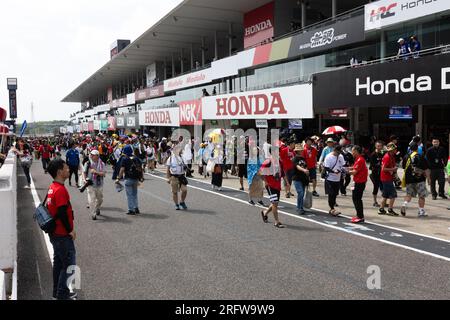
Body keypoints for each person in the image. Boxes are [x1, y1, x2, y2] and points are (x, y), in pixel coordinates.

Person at [46, 158, 77, 300]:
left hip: (54, 233)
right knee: (69, 265)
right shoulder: (61, 190)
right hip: (62, 234)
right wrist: (70, 230)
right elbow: (63, 213)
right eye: (66, 168)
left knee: (59, 264)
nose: (68, 170)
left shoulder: (52, 187)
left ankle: (56, 293)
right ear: (59, 172)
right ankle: (62, 294)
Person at [400, 143, 430, 217]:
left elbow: (403, 167)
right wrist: (429, 178)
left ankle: (405, 204)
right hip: (420, 180)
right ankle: (421, 211)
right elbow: (426, 169)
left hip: (409, 179)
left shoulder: (406, 157)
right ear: (417, 149)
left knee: (409, 194)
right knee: (421, 196)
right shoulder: (420, 156)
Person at [116, 145, 143, 215]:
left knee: (129, 195)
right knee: (135, 194)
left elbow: (122, 169)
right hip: (136, 178)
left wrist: (118, 178)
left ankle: (131, 209)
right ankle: (136, 207)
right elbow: (141, 167)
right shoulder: (136, 158)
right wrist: (141, 177)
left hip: (128, 178)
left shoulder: (125, 158)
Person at [260, 155, 285, 228]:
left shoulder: (280, 161)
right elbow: (260, 172)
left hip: (277, 185)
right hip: (270, 186)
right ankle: (276, 221)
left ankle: (265, 212)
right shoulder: (268, 161)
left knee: (275, 203)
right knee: (274, 203)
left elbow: (283, 173)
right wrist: (265, 181)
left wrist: (287, 183)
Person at [83, 150, 105, 220]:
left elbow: (103, 174)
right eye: (91, 154)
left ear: (98, 156)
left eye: (93, 155)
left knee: (100, 200)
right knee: (91, 200)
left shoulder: (102, 164)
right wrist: (84, 179)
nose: (91, 156)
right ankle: (93, 213)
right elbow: (84, 172)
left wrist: (96, 172)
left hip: (99, 184)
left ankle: (97, 208)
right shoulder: (88, 163)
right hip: (90, 184)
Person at [323, 145, 345, 217]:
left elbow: (343, 165)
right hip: (330, 178)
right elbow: (326, 168)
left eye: (340, 152)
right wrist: (333, 171)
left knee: (335, 194)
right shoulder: (329, 157)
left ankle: (332, 208)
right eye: (338, 152)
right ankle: (332, 209)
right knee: (331, 194)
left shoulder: (341, 156)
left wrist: (342, 172)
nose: (339, 154)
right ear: (335, 150)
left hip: (337, 179)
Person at [348, 145, 368, 223]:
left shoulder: (360, 160)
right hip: (359, 182)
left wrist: (346, 172)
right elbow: (355, 168)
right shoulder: (359, 159)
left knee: (357, 199)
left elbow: (354, 172)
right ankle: (359, 215)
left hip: (359, 182)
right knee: (356, 199)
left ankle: (360, 216)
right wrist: (347, 168)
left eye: (352, 151)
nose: (352, 152)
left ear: (356, 151)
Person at [378, 143, 399, 216]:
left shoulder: (391, 156)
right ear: (391, 150)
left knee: (385, 195)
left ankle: (381, 209)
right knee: (393, 194)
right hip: (386, 178)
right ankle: (390, 210)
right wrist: (393, 169)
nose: (396, 150)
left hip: (387, 178)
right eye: (394, 149)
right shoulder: (387, 157)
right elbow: (383, 169)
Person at [166, 143, 188, 210]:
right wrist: (168, 178)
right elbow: (167, 169)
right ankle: (176, 204)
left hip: (181, 176)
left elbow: (186, 167)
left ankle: (182, 201)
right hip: (173, 177)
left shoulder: (182, 157)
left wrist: (185, 167)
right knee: (175, 192)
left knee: (184, 190)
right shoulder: (170, 159)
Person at [292, 144, 309, 215]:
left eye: (301, 150)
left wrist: (307, 173)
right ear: (297, 151)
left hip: (304, 178)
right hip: (297, 178)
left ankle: (301, 207)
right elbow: (297, 166)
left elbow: (306, 166)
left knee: (302, 193)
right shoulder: (295, 158)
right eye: (300, 150)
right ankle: (299, 208)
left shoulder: (303, 158)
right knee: (300, 193)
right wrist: (304, 170)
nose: (301, 151)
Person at [369, 141, 385, 207]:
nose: (379, 147)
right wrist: (379, 165)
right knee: (376, 187)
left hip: (382, 173)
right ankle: (375, 202)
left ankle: (383, 202)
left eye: (380, 146)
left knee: (383, 187)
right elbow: (372, 165)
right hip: (375, 173)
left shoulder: (383, 153)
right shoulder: (373, 154)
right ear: (376, 146)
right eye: (378, 146)